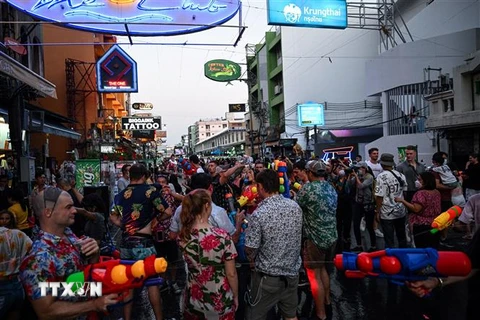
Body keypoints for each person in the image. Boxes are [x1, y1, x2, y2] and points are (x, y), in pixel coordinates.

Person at [20, 187, 116, 319]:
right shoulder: (37, 259)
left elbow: (79, 280)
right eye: (68, 207)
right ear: (48, 212)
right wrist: (94, 304)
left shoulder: (69, 235)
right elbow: (46, 311)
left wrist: (94, 255)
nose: (75, 210)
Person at [110, 164, 171, 320]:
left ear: (130, 176)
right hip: (144, 243)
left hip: (125, 243)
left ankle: (126, 317)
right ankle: (159, 318)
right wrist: (155, 220)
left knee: (128, 283)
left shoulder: (121, 194)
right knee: (151, 282)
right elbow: (168, 211)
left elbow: (113, 217)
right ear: (144, 176)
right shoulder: (150, 192)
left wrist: (125, 226)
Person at [244, 169, 303, 320]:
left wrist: (251, 259)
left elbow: (250, 248)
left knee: (254, 316)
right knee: (290, 315)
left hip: (267, 278)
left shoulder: (259, 213)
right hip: (291, 273)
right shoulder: (295, 207)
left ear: (261, 187)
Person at [178, 189, 239, 319]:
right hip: (219, 298)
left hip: (193, 299)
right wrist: (236, 295)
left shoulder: (183, 237)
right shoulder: (222, 237)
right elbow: (231, 273)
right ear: (206, 205)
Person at [296, 161, 337, 320]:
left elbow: (297, 208)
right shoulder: (331, 188)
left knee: (314, 274)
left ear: (310, 173)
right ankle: (327, 302)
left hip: (314, 238)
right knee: (324, 270)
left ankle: (321, 313)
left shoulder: (307, 189)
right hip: (332, 236)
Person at [395, 172, 441, 248]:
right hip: (435, 223)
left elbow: (416, 209)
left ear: (426, 181)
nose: (417, 181)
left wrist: (402, 201)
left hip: (422, 225)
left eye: (419, 180)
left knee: (422, 247)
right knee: (433, 245)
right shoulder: (437, 192)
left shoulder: (421, 194)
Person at [0, 210, 32, 320]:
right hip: (17, 284)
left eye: (7, 218)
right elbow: (31, 248)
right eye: (2, 218)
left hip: (3, 284)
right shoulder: (19, 234)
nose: (4, 221)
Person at [375, 153, 408, 248]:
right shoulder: (401, 175)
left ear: (382, 164)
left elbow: (379, 196)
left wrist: (377, 211)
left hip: (387, 212)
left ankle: (390, 259)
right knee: (402, 237)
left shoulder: (381, 177)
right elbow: (404, 192)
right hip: (400, 210)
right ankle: (403, 257)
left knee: (389, 239)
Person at [351, 162, 377, 252]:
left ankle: (373, 246)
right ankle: (359, 245)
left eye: (359, 168)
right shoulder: (358, 176)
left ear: (364, 168)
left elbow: (361, 186)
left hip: (368, 203)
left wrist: (356, 177)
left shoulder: (369, 177)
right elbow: (351, 183)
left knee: (369, 226)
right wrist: (352, 176)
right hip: (358, 203)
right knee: (355, 224)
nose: (358, 170)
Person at [365, 148, 384, 238]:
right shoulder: (367, 164)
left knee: (377, 208)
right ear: (370, 155)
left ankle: (375, 228)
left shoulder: (380, 166)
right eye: (374, 153)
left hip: (377, 188)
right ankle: (364, 220)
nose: (376, 155)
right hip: (368, 190)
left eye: (377, 153)